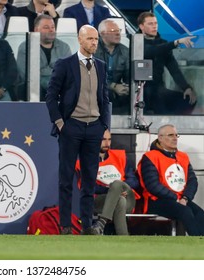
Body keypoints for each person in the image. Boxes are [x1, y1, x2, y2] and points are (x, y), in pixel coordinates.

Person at [45, 24, 110, 235]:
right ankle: (64, 226)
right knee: (66, 179)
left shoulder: (101, 65)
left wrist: (105, 126)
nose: (94, 43)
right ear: (80, 40)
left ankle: (87, 226)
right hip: (71, 126)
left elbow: (105, 98)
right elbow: (51, 96)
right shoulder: (65, 64)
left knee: (89, 179)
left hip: (94, 128)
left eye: (96, 39)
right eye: (90, 39)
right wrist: (60, 123)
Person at [137, 124, 204, 236]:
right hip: (157, 201)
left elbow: (192, 181)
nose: (174, 138)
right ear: (160, 138)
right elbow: (152, 185)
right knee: (185, 212)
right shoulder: (150, 157)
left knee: (200, 214)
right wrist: (175, 198)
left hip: (181, 199)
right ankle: (198, 242)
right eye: (170, 135)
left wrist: (185, 198)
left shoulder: (183, 157)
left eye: (176, 135)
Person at [75, 129, 139, 235]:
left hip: (128, 197)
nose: (107, 143)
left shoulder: (120, 157)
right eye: (103, 139)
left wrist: (118, 188)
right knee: (120, 200)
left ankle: (101, 224)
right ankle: (124, 238)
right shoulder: (85, 161)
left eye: (109, 139)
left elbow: (134, 181)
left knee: (117, 185)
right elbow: (88, 186)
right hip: (101, 200)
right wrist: (112, 190)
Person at [137, 12, 197, 115]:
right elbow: (152, 51)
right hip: (142, 89)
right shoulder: (135, 41)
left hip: (159, 88)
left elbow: (174, 69)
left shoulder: (163, 43)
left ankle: (173, 126)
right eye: (150, 24)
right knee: (156, 98)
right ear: (141, 26)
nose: (154, 26)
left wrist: (186, 87)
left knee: (188, 99)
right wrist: (176, 43)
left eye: (156, 23)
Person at [17, 14, 71, 101]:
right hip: (35, 89)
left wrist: (43, 72)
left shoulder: (64, 47)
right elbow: (25, 75)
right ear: (36, 30)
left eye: (53, 27)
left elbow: (68, 72)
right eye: (46, 27)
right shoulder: (26, 47)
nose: (51, 30)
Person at [94, 19, 130, 115]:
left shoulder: (125, 51)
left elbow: (129, 74)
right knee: (106, 94)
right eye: (113, 31)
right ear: (102, 34)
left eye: (119, 31)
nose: (118, 34)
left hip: (117, 89)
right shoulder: (93, 49)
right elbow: (92, 76)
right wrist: (113, 86)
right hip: (96, 89)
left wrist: (127, 87)